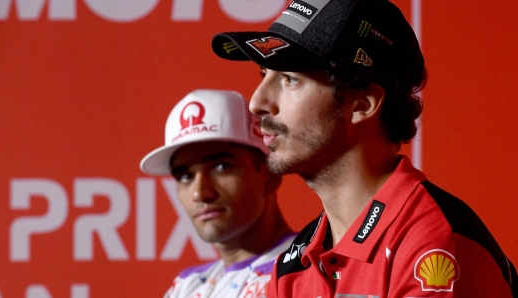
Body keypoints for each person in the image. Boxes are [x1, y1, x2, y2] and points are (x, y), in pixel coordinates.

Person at [210, 0, 518, 297]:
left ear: (363, 103)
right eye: (265, 75)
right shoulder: (291, 268)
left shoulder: (433, 244)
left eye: (290, 79)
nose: (257, 103)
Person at [140, 89, 294, 298]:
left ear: (270, 175)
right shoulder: (186, 287)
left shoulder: (309, 271)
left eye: (221, 167)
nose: (200, 193)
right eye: (185, 176)